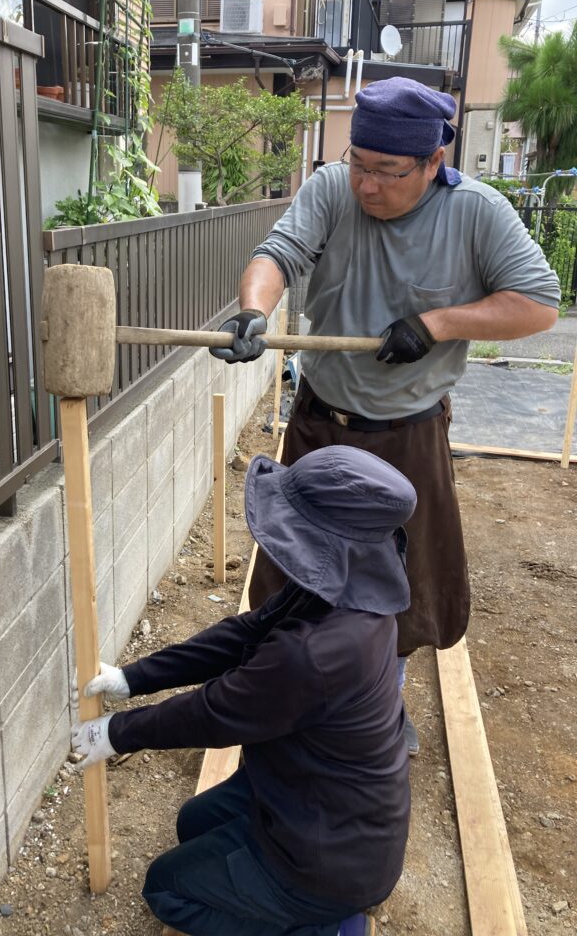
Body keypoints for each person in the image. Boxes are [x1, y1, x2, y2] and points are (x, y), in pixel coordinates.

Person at [210, 76, 561, 755]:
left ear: (433, 162)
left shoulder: (476, 213)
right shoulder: (333, 190)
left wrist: (438, 322)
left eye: (387, 172)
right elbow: (277, 255)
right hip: (320, 422)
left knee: (394, 594)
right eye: (359, 164)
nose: (367, 186)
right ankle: (295, 707)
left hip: (409, 435)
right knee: (297, 577)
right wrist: (255, 310)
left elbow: (539, 304)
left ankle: (377, 711)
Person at [72, 445, 417, 936]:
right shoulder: (349, 594)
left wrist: (118, 732)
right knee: (194, 822)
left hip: (328, 859)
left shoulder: (315, 653)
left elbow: (215, 712)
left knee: (165, 888)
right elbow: (246, 633)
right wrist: (135, 677)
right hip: (318, 800)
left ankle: (331, 928)